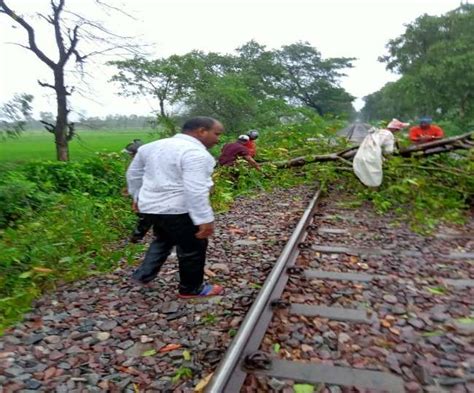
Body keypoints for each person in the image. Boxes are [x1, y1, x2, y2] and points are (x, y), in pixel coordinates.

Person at [126, 117, 225, 298]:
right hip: (179, 210)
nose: (218, 139)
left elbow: (133, 174)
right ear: (201, 131)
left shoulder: (150, 147)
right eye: (216, 134)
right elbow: (195, 189)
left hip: (151, 207)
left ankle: (142, 276)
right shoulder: (196, 153)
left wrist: (137, 196)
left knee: (163, 239)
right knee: (192, 248)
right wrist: (204, 219)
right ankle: (191, 289)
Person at [353, 119, 409, 187]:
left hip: (360, 154)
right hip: (372, 156)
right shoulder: (389, 135)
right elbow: (388, 151)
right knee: (374, 176)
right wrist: (390, 158)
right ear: (396, 129)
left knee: (364, 173)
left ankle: (364, 188)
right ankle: (373, 192)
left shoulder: (378, 131)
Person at [123, 139, 153, 243]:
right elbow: (133, 177)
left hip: (147, 192)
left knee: (144, 216)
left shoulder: (145, 161)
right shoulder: (139, 161)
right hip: (143, 192)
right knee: (145, 216)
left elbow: (137, 177)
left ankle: (136, 237)